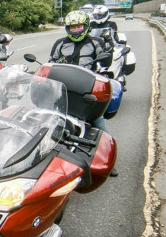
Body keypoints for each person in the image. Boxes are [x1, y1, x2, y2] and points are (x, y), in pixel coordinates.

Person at [49, 10, 118, 177]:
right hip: (63, 89)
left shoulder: (95, 42)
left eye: (79, 26)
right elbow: (50, 63)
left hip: (86, 90)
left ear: (86, 26)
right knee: (48, 119)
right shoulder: (60, 43)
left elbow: (105, 61)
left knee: (98, 122)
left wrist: (108, 50)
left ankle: (107, 160)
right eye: (72, 27)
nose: (76, 30)